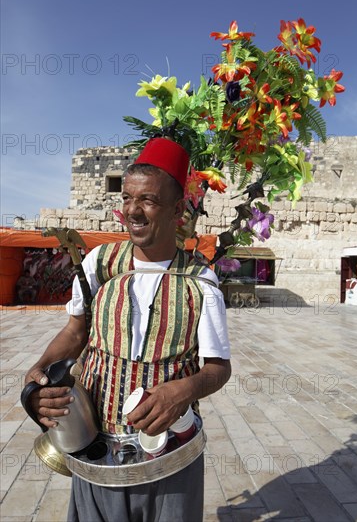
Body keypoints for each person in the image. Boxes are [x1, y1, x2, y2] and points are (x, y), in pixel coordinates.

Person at [25, 137, 231, 522]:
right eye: (126, 199)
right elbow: (75, 332)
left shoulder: (200, 282)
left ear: (177, 211)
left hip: (170, 452)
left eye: (148, 200)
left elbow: (218, 368)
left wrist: (182, 391)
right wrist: (36, 377)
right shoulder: (99, 263)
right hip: (96, 447)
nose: (133, 211)